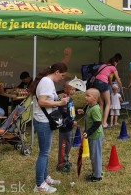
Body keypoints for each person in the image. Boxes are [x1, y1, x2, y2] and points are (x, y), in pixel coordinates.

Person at [32, 62, 69, 193]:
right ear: (57, 72)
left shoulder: (47, 82)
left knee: (45, 152)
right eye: (63, 75)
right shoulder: (47, 82)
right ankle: (39, 185)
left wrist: (59, 99)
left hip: (44, 120)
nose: (63, 78)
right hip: (43, 122)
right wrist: (60, 102)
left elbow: (47, 99)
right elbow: (42, 101)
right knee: (44, 153)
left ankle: (45, 178)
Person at [93, 53, 123, 129]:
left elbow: (108, 77)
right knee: (108, 103)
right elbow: (118, 79)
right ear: (116, 62)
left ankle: (98, 122)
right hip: (103, 83)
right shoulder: (113, 68)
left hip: (96, 82)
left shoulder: (103, 65)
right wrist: (121, 88)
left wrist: (111, 84)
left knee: (101, 103)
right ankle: (104, 123)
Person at [81, 88, 104, 182]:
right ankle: (96, 172)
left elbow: (97, 123)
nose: (85, 97)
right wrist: (83, 112)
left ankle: (97, 176)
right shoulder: (90, 106)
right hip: (92, 136)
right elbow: (89, 116)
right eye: (85, 95)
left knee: (95, 156)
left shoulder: (95, 109)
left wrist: (88, 132)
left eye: (88, 96)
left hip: (95, 136)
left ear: (95, 98)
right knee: (94, 155)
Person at [56, 81, 77, 173]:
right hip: (65, 127)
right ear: (65, 89)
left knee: (69, 144)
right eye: (71, 89)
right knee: (64, 145)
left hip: (70, 126)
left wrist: (76, 113)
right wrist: (71, 121)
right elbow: (64, 114)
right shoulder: (64, 100)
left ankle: (66, 160)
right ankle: (61, 164)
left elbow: (70, 111)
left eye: (74, 89)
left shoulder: (70, 99)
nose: (73, 91)